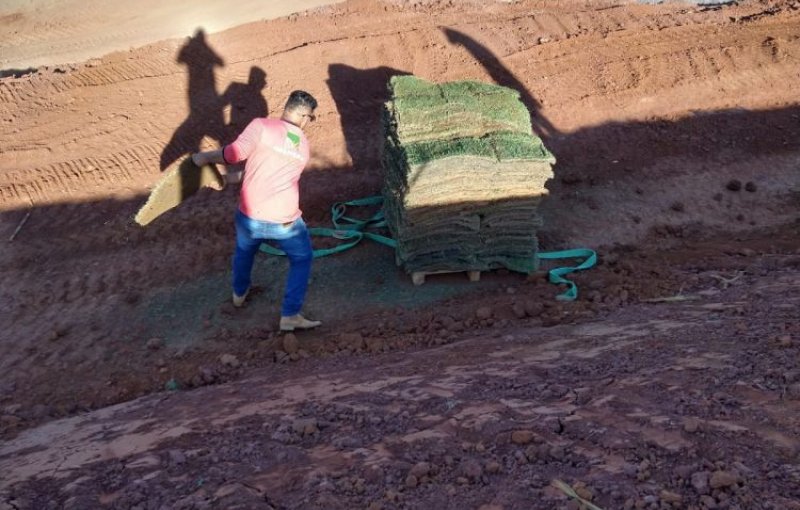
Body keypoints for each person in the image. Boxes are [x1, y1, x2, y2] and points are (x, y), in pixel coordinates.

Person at [192, 90, 321, 332]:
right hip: (285, 222)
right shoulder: (302, 146)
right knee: (302, 259)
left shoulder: (261, 126)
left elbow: (237, 156)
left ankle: (239, 294)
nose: (308, 123)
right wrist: (209, 162)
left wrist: (206, 160)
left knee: (244, 251)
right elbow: (244, 161)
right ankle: (290, 315)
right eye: (310, 118)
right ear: (303, 115)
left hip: (250, 216)